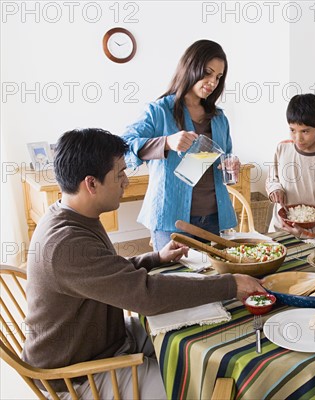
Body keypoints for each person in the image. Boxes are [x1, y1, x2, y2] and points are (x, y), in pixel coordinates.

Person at [22, 128, 264, 399]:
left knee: (200, 336)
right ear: (91, 184)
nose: (126, 181)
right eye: (120, 174)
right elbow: (146, 295)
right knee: (192, 384)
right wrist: (230, 284)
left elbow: (105, 269)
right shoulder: (66, 243)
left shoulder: (70, 214)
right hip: (75, 372)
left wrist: (154, 258)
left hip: (104, 338)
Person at [122, 39, 239, 250]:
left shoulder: (219, 118)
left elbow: (226, 157)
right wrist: (166, 142)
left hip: (213, 218)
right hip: (171, 218)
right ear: (191, 68)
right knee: (173, 280)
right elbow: (124, 146)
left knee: (212, 280)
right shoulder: (159, 111)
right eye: (207, 72)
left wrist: (231, 165)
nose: (212, 82)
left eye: (218, 77)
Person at [266, 93, 315, 238]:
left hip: (312, 236)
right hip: (278, 230)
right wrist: (275, 189)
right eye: (292, 130)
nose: (298, 138)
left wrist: (307, 232)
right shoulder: (282, 148)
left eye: (305, 131)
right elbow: (271, 179)